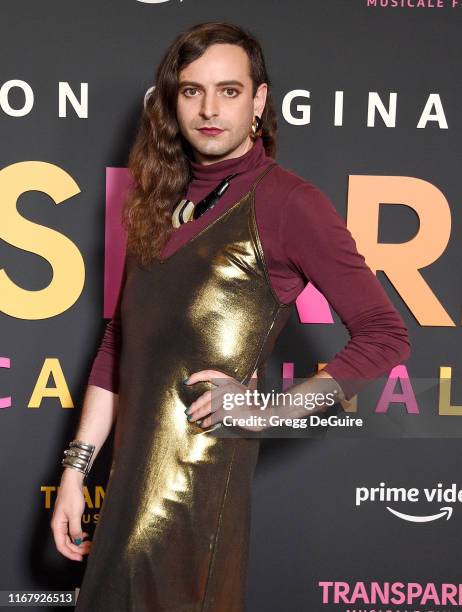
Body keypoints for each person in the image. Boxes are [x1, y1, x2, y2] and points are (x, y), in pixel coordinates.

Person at [50, 21, 410, 611]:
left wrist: (271, 407)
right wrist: (76, 472)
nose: (209, 108)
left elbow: (385, 334)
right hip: (124, 497)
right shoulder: (156, 200)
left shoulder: (288, 202)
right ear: (172, 102)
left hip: (196, 496)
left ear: (259, 100)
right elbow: (119, 343)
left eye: (229, 91)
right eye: (192, 91)